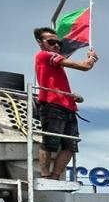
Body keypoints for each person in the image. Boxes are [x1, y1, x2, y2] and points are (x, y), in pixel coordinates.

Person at [33, 27, 97, 180]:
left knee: (71, 145)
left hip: (66, 105)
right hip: (52, 103)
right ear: (40, 43)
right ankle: (46, 175)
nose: (56, 45)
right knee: (49, 142)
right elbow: (84, 66)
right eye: (51, 41)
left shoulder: (52, 60)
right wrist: (91, 59)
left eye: (58, 42)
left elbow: (57, 83)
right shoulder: (45, 55)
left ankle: (54, 177)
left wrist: (70, 96)